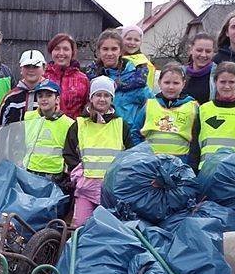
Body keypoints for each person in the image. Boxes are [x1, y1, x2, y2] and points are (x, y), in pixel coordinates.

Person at [64, 76, 132, 226]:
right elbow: (69, 153)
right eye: (98, 95)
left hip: (111, 191)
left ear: (112, 98)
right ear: (91, 98)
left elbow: (130, 157)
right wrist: (79, 177)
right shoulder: (79, 124)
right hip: (85, 189)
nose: (102, 99)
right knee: (80, 227)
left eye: (106, 95)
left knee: (108, 229)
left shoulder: (121, 125)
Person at [88, 29, 149, 139]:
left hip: (127, 138)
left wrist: (136, 130)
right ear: (98, 52)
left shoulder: (135, 78)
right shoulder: (91, 78)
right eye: (105, 49)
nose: (109, 53)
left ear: (121, 51)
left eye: (114, 49)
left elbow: (152, 107)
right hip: (97, 137)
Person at [138, 64, 200, 168]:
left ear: (183, 84)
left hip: (180, 163)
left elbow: (197, 138)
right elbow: (135, 132)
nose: (171, 87)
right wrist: (141, 157)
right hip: (151, 164)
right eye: (167, 82)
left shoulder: (193, 106)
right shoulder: (149, 105)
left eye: (176, 83)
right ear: (159, 83)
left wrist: (191, 164)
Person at [22, 80, 74, 193]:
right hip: (29, 172)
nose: (44, 99)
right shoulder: (28, 117)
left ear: (57, 99)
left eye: (49, 95)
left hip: (55, 176)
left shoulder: (69, 123)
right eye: (40, 96)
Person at [43, 33, 90, 118]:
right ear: (51, 51)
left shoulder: (83, 79)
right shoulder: (43, 76)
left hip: (73, 128)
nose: (61, 53)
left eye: (66, 49)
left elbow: (87, 105)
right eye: (57, 49)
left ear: (72, 52)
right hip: (46, 128)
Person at [0, 49, 47, 126]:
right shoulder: (10, 98)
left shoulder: (52, 95)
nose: (31, 70)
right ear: (21, 69)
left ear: (44, 68)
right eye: (27, 66)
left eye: (35, 66)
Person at [120, 23, 158, 91]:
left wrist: (115, 84)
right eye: (129, 39)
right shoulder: (116, 57)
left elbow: (139, 81)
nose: (132, 43)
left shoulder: (142, 62)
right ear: (122, 39)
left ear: (141, 43)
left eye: (136, 40)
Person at [183, 33, 216, 104]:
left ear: (213, 53)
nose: (203, 55)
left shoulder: (218, 75)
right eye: (199, 50)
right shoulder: (180, 73)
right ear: (190, 50)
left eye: (208, 51)